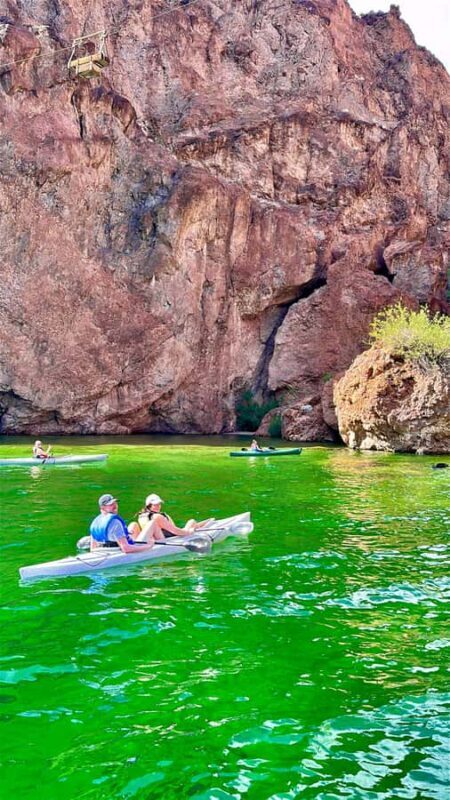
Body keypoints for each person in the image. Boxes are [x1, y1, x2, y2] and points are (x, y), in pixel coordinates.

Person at [89, 494, 164, 553]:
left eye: (115, 503)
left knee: (133, 525)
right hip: (117, 551)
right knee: (152, 523)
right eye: (111, 504)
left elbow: (93, 549)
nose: (115, 506)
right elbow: (126, 549)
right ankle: (164, 546)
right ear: (102, 508)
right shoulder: (115, 522)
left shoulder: (95, 522)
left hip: (102, 551)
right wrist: (149, 546)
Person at [128, 493, 213, 540]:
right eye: (155, 505)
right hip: (166, 538)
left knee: (192, 523)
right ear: (149, 505)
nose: (158, 506)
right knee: (192, 522)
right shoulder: (158, 516)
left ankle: (206, 522)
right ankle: (207, 523)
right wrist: (189, 532)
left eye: (159, 504)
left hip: (153, 538)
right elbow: (175, 530)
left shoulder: (141, 516)